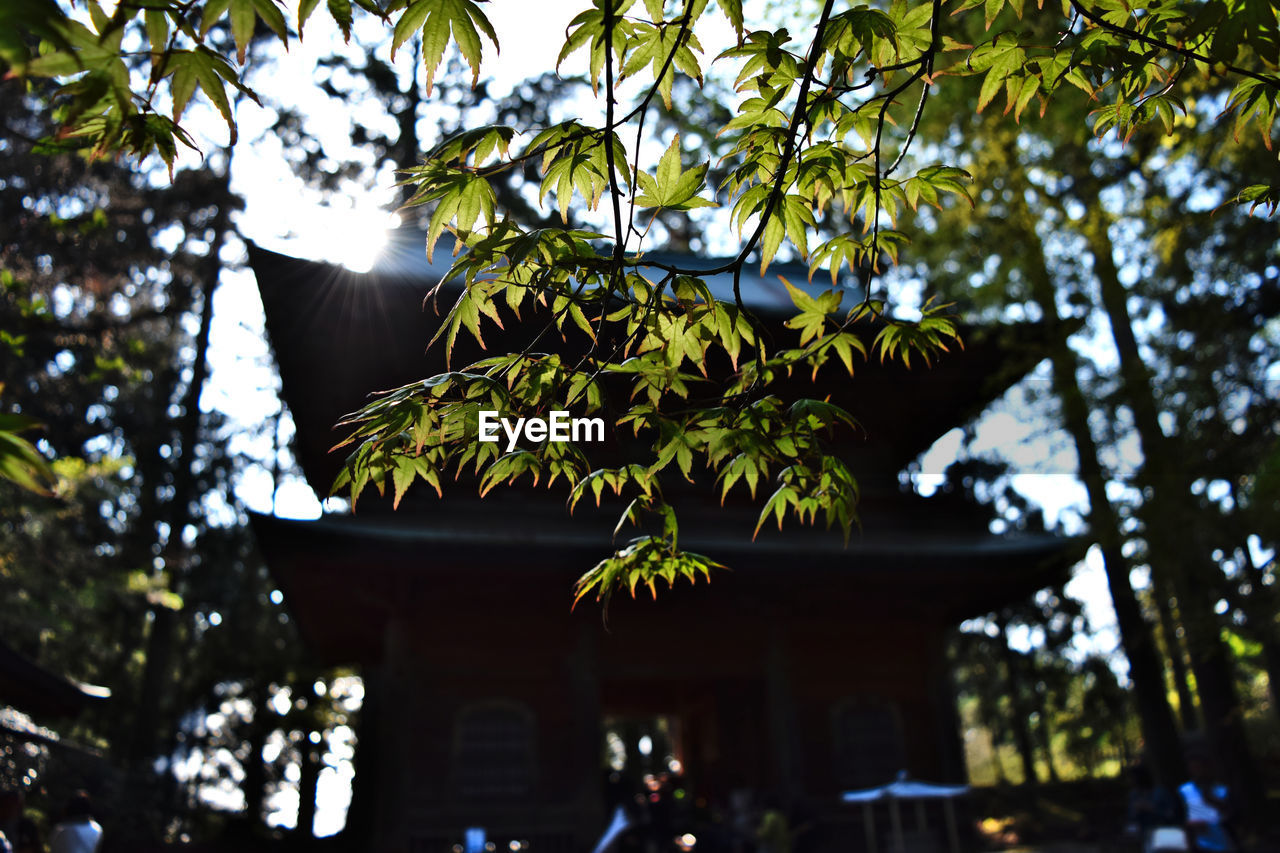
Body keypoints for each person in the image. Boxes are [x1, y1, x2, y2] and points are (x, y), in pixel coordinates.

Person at [1179, 751, 1236, 852]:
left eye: (1200, 767)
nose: (1198, 771)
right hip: (1200, 844)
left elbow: (1234, 815)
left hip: (1224, 840)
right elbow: (1181, 815)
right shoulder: (1186, 790)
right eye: (1194, 767)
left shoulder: (1221, 789)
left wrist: (1213, 801)